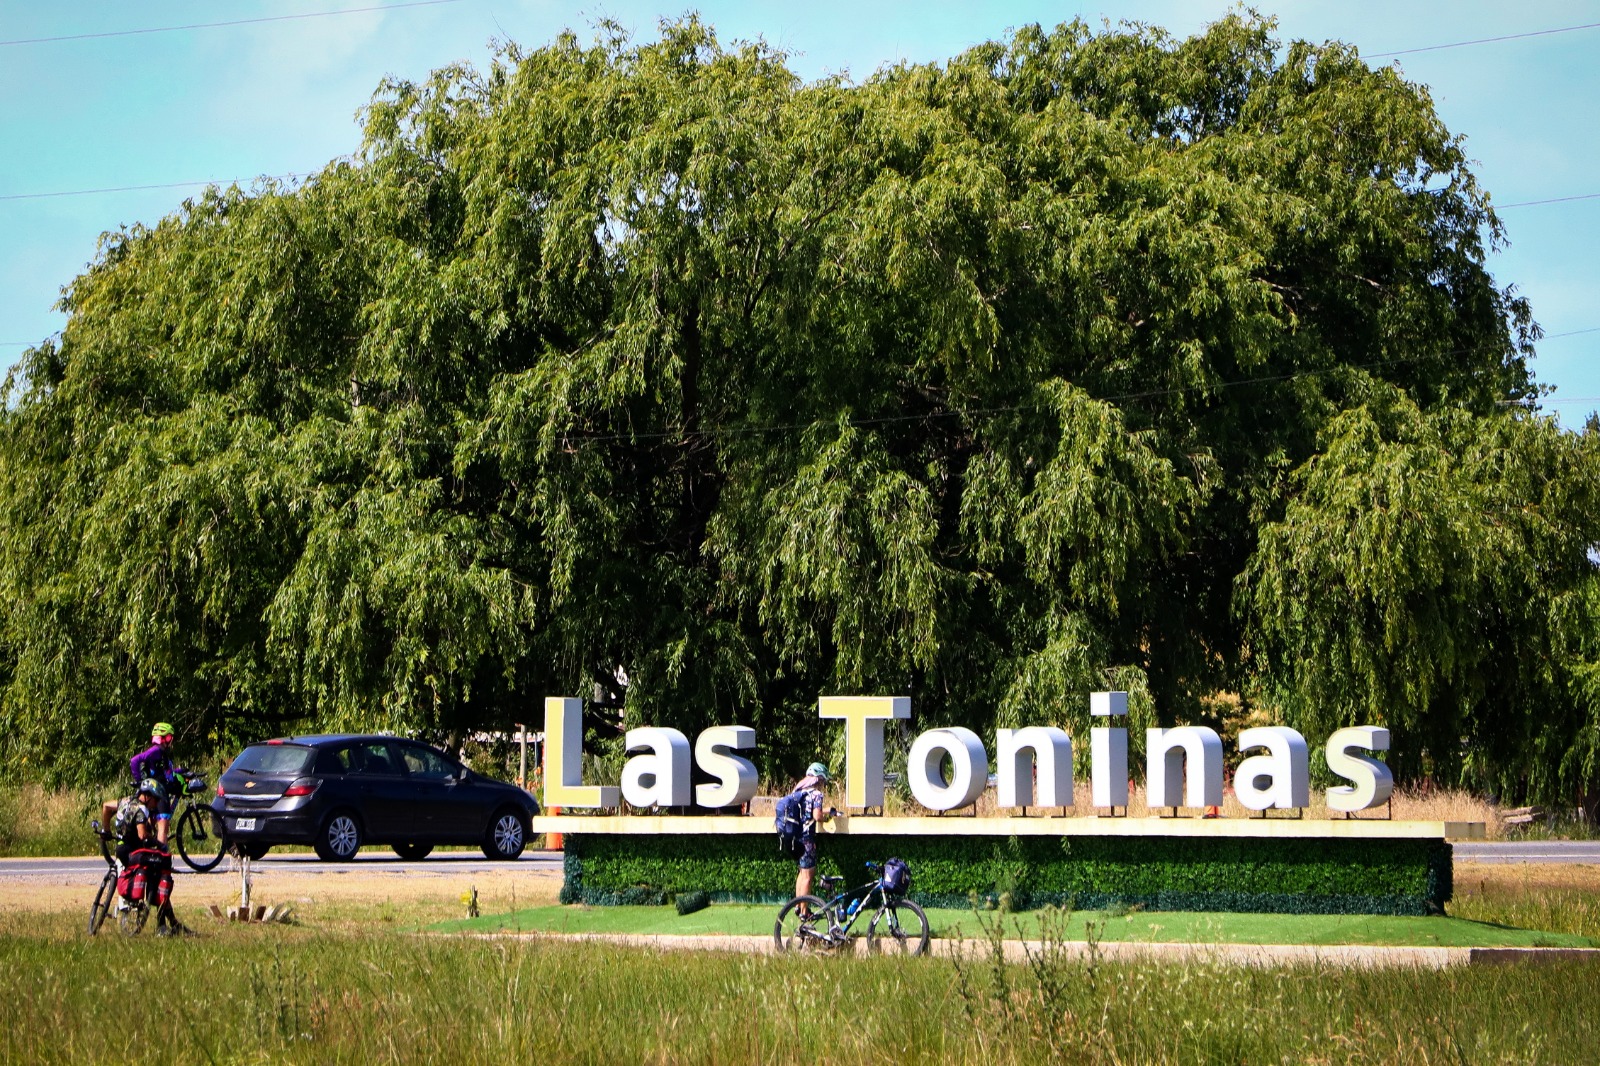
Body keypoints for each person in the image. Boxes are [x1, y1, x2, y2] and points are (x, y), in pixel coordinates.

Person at [114, 779, 190, 936]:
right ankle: (163, 925)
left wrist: (106, 830)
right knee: (158, 873)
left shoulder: (125, 801)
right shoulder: (142, 810)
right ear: (147, 796)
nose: (156, 803)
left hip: (121, 848)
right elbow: (143, 835)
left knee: (156, 868)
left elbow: (106, 807)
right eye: (155, 799)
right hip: (132, 852)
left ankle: (171, 923)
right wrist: (158, 843)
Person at [128, 722, 185, 846]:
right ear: (162, 738)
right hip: (158, 793)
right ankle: (162, 857)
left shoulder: (161, 753)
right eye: (169, 737)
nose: (171, 740)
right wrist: (140, 782)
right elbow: (134, 761)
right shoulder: (156, 750)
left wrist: (182, 771)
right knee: (163, 826)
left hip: (158, 791)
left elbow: (165, 772)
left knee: (155, 825)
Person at [790, 761, 834, 903]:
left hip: (794, 837)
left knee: (802, 874)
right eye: (823, 781)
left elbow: (805, 813)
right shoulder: (816, 794)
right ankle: (804, 912)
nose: (823, 784)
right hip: (806, 839)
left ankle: (797, 906)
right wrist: (827, 817)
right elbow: (817, 816)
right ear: (818, 778)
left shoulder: (798, 792)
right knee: (808, 877)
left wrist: (825, 810)